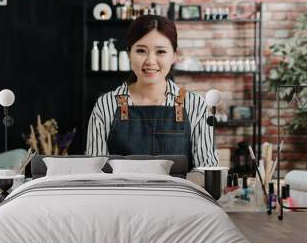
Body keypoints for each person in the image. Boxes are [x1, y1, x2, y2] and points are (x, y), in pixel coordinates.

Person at [86, 15, 218, 169]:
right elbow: (94, 173)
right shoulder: (106, 105)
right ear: (129, 54)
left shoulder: (196, 105)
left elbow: (207, 171)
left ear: (174, 56)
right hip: (120, 194)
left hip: (179, 194)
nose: (150, 61)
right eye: (141, 51)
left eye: (160, 51)